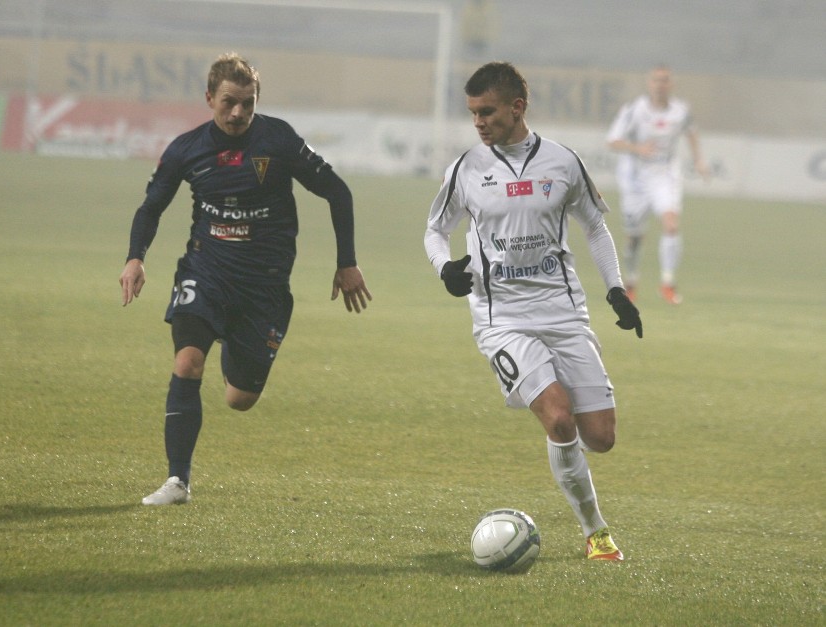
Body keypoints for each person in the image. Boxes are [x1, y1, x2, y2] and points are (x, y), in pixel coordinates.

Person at [119, 53, 372, 506]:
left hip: (264, 286)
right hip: (206, 271)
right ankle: (178, 481)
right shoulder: (186, 149)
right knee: (187, 363)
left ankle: (233, 338)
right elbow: (150, 207)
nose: (238, 113)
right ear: (210, 98)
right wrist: (134, 259)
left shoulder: (278, 140)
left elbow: (338, 191)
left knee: (240, 398)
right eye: (229, 102)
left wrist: (346, 262)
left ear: (258, 102)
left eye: (248, 104)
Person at [424, 62, 642, 560]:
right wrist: (444, 268)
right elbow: (435, 230)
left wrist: (615, 291)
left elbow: (595, 227)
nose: (478, 122)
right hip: (502, 320)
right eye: (473, 113)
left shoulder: (563, 163)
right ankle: (596, 533)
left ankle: (567, 459)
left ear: (517, 107)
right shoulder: (465, 169)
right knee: (560, 419)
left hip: (564, 314)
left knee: (601, 438)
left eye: (487, 112)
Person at [606, 64, 710, 304]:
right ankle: (631, 282)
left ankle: (668, 283)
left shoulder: (680, 111)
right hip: (635, 179)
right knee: (634, 237)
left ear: (670, 84)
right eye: (656, 80)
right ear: (649, 83)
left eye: (665, 80)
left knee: (671, 224)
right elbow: (612, 141)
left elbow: (691, 132)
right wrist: (638, 148)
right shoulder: (634, 110)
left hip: (665, 175)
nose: (660, 85)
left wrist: (699, 160)